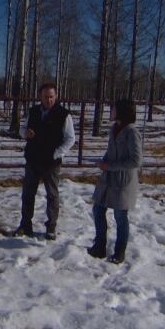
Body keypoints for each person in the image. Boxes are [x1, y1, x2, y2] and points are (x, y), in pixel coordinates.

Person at [15, 83, 75, 240]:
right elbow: (22, 129)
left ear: (56, 96)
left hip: (51, 162)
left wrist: (57, 153)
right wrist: (25, 133)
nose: (48, 100)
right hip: (33, 158)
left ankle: (51, 226)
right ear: (40, 97)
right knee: (28, 194)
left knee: (52, 195)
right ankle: (25, 224)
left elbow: (70, 138)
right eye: (45, 97)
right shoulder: (33, 111)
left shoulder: (63, 114)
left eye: (51, 97)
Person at [87, 99, 142, 264]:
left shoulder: (132, 132)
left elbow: (136, 161)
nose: (110, 112)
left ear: (122, 112)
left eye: (113, 109)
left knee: (120, 216)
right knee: (98, 209)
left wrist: (110, 165)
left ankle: (120, 252)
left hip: (123, 182)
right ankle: (99, 246)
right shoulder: (114, 129)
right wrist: (104, 162)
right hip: (108, 179)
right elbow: (111, 151)